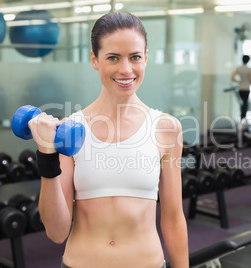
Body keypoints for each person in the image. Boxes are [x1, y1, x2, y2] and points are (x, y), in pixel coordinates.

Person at [28, 12, 189, 268]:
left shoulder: (166, 128)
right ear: (94, 60)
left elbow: (173, 218)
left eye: (135, 57)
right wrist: (46, 154)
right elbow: (56, 232)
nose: (126, 69)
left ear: (146, 57)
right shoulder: (72, 129)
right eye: (113, 58)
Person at [231, 55, 251, 122]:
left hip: (240, 88)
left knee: (242, 103)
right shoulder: (249, 69)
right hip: (246, 88)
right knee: (245, 103)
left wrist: (239, 81)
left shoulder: (238, 68)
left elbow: (232, 78)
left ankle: (242, 117)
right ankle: (243, 117)